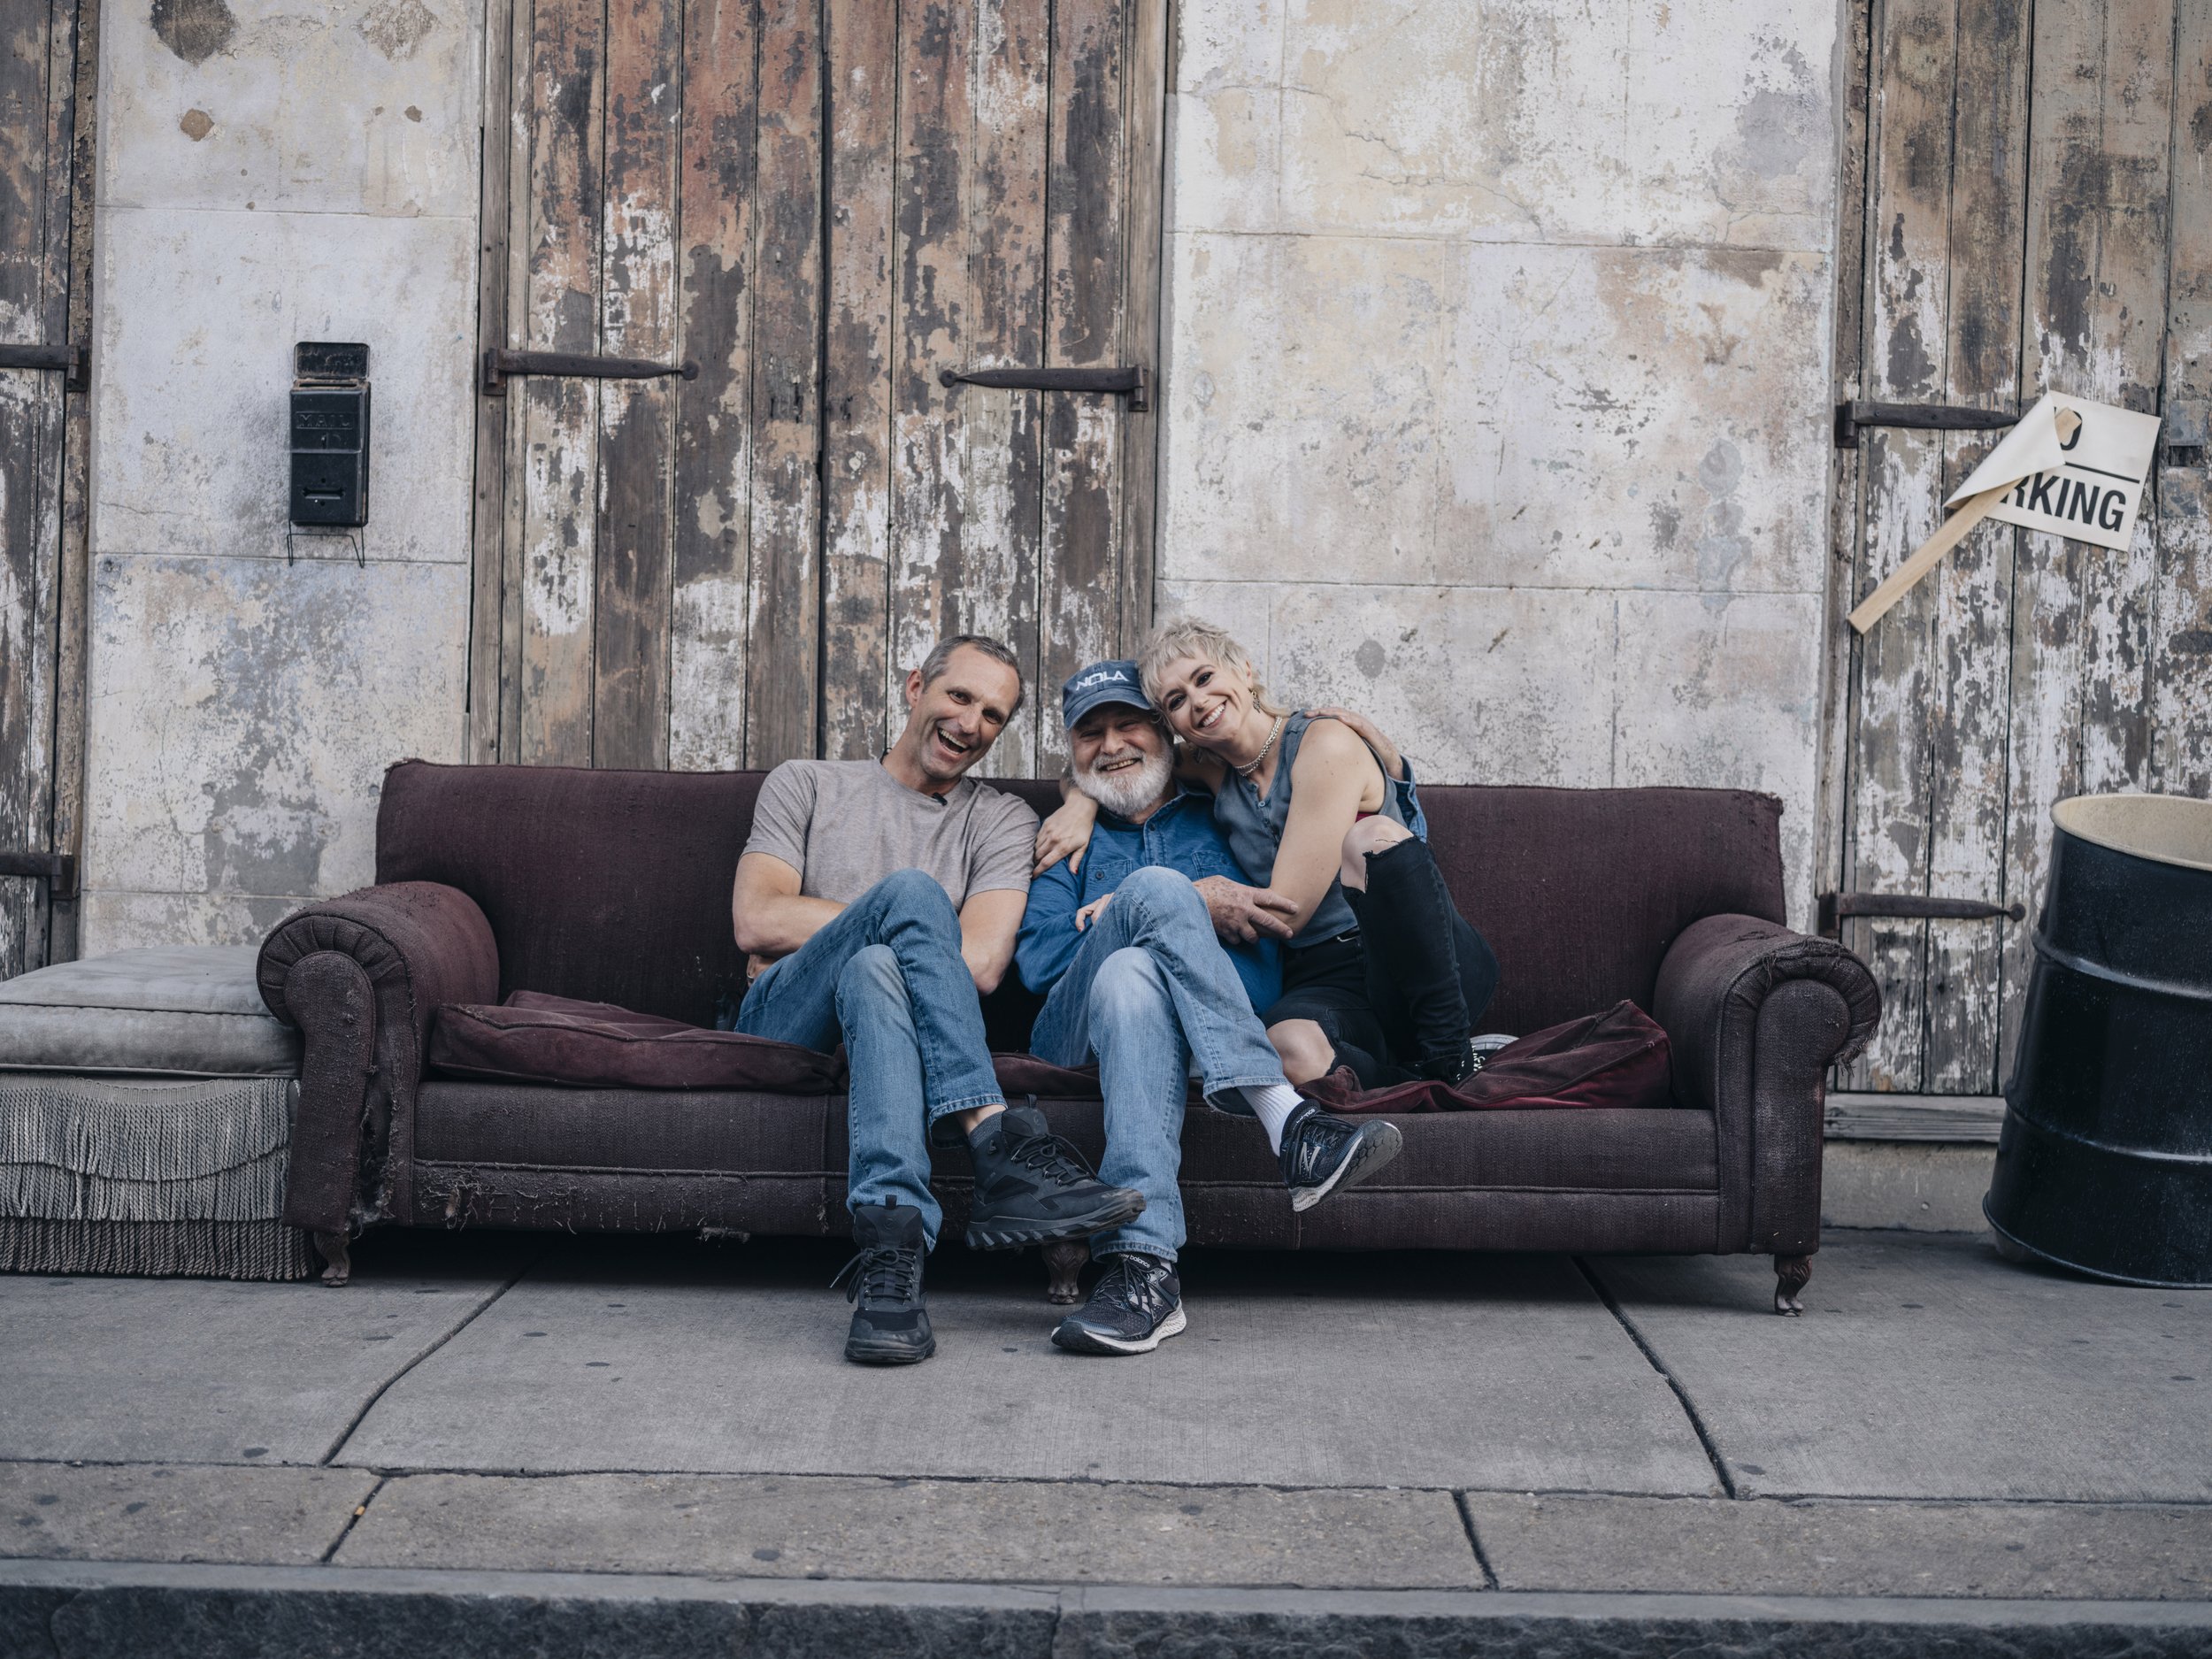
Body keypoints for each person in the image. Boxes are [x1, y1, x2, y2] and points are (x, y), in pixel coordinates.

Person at [730, 635, 1144, 1368]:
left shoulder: (1003, 820)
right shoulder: (806, 783)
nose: (971, 723)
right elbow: (757, 918)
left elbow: (981, 963)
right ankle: (996, 1140)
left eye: (993, 714)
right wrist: (897, 914)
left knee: (875, 968)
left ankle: (891, 1262)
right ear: (915, 685)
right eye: (959, 696)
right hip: (786, 1021)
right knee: (911, 899)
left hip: (893, 1027)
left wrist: (846, 931)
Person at [1014, 660, 1405, 1356]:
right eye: (1090, 734)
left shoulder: (1223, 816)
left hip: (1196, 1036)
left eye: (1129, 724)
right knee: (1153, 897)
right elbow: (1041, 963)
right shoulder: (1066, 836)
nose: (1111, 744)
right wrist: (1164, 900)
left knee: (1133, 971)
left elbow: (1265, 960)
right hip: (1076, 1033)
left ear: (1165, 733)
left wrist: (1393, 764)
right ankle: (1288, 1122)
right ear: (1070, 753)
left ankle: (1142, 1270)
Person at [1037, 618, 1500, 1090]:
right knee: (1283, 1051)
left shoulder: (1325, 743)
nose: (1198, 702)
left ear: (1244, 669)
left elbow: (1286, 911)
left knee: (1372, 837)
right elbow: (1110, 764)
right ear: (1171, 724)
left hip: (1411, 955)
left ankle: (1451, 1059)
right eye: (1176, 701)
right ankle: (1411, 1079)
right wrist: (1079, 804)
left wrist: (1143, 902)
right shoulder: (1212, 768)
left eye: (1204, 677)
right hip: (1324, 976)